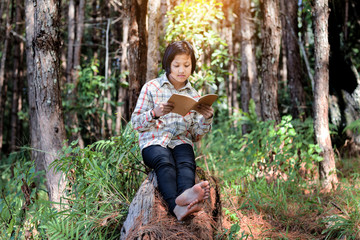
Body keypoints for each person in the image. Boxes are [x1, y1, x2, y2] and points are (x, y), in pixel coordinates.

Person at [131, 41, 213, 221]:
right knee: (164, 161)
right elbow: (135, 123)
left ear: (193, 65)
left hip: (180, 141)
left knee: (186, 161)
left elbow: (195, 136)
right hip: (154, 142)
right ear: (168, 65)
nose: (181, 70)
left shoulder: (194, 94)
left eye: (186, 65)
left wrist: (206, 119)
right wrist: (154, 113)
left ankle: (186, 197)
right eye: (176, 65)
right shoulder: (152, 88)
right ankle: (176, 208)